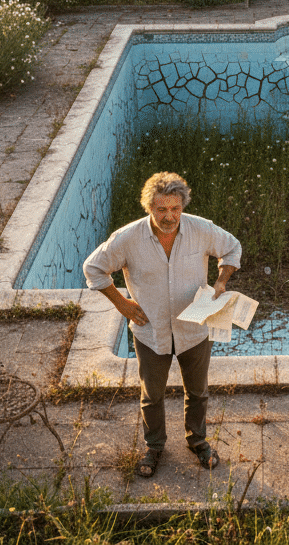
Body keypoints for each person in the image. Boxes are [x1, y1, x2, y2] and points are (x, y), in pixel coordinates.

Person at [83, 172, 241, 478]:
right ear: (149, 208)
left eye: (175, 209)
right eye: (161, 209)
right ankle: (154, 447)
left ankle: (197, 441)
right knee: (152, 395)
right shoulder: (127, 238)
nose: (169, 216)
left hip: (194, 329)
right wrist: (122, 303)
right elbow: (94, 268)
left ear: (182, 205)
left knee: (197, 391)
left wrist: (221, 280)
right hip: (150, 331)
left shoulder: (200, 229)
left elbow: (232, 247)